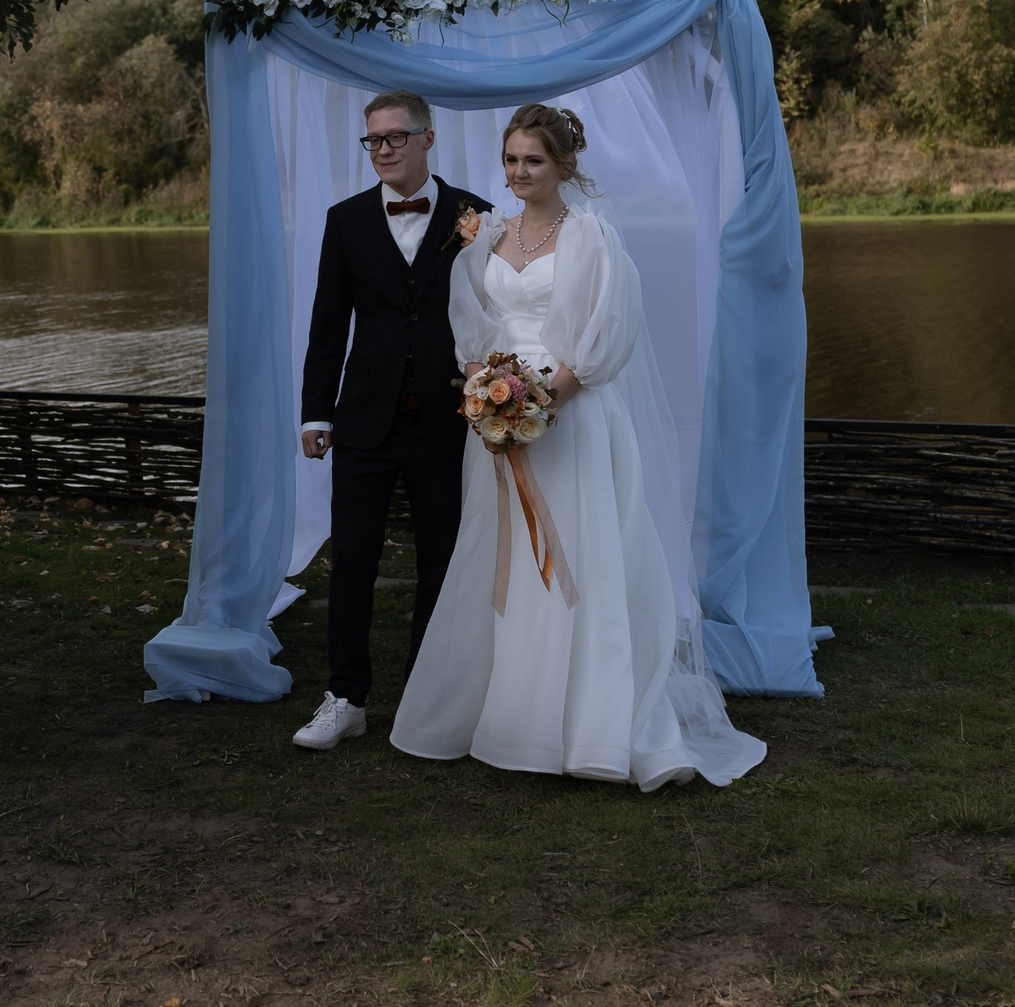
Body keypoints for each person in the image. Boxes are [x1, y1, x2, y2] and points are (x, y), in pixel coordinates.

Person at [390, 103, 766, 788]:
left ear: (564, 164)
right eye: (510, 160)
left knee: (581, 556)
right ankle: (511, 717)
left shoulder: (591, 236)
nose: (519, 172)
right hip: (498, 422)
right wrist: (488, 393)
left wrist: (541, 401)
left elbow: (609, 326)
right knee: (504, 558)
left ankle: (595, 722)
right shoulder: (487, 238)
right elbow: (471, 322)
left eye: (533, 160)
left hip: (570, 414)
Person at [291, 90, 495, 750]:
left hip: (448, 419)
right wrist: (315, 412)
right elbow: (328, 323)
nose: (382, 150)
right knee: (353, 557)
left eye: (395, 138)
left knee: (442, 559)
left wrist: (496, 395)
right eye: (372, 140)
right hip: (364, 420)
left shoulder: (476, 215)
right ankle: (346, 696)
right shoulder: (345, 220)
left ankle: (425, 696)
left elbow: (498, 314)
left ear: (428, 139)